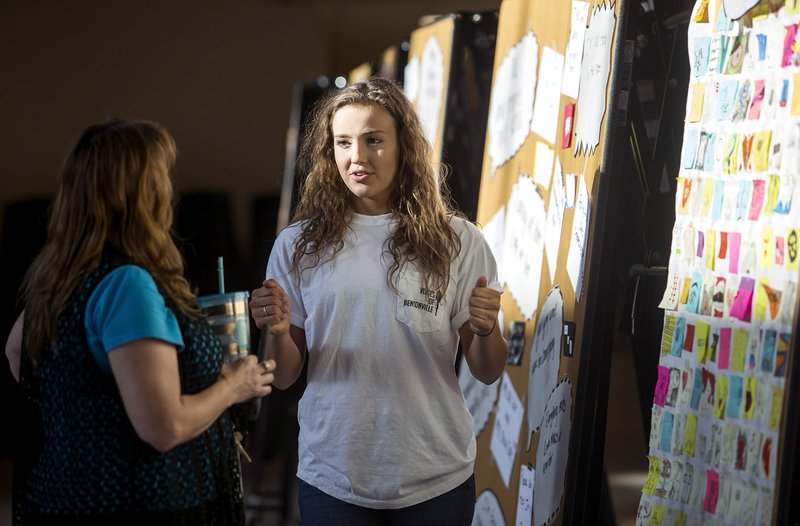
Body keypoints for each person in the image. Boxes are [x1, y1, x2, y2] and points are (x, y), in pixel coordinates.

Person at [250, 76, 508, 524]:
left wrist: (485, 330)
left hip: (437, 476)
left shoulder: (459, 240)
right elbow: (286, 374)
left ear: (404, 146)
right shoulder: (298, 245)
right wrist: (275, 333)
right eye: (343, 142)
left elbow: (487, 370)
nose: (357, 157)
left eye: (374, 140)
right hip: (333, 475)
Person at [4, 119, 275, 525]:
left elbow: (15, 353)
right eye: (163, 177)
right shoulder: (128, 283)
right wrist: (234, 385)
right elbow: (163, 426)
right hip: (146, 506)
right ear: (143, 193)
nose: (170, 190)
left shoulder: (57, 279)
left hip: (62, 499)